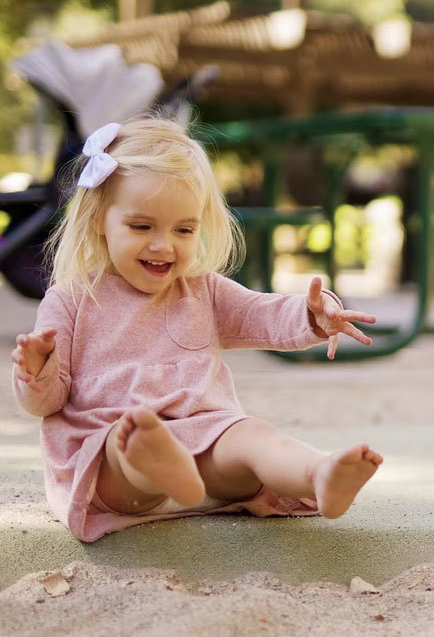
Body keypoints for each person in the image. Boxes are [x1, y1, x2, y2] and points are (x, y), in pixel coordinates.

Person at [10, 117, 383, 542]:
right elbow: (46, 402)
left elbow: (262, 314)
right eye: (142, 226)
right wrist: (37, 371)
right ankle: (159, 466)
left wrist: (314, 315)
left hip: (207, 456)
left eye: (183, 229)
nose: (163, 244)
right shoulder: (72, 298)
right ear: (99, 219)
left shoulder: (202, 290)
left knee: (251, 434)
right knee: (127, 440)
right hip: (116, 469)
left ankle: (319, 473)